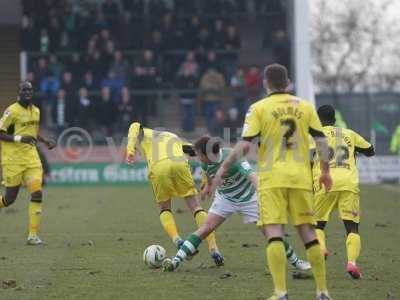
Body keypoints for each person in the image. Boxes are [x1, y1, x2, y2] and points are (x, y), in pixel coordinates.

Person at [209, 64, 332, 300]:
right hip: (301, 177)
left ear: (265, 83)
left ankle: (281, 292)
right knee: (308, 232)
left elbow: (245, 145)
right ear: (287, 83)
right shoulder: (305, 107)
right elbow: (321, 141)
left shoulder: (258, 108)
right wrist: (325, 171)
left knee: (274, 232)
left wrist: (223, 167)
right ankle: (322, 292)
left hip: (271, 178)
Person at [162, 136, 311, 272]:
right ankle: (175, 262)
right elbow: (208, 174)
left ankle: (296, 261)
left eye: (200, 155)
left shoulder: (234, 157)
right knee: (205, 228)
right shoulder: (206, 163)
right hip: (225, 199)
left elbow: (252, 176)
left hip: (249, 199)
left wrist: (264, 194)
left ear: (208, 155)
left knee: (269, 232)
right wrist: (208, 187)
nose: (199, 159)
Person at [125, 122, 224, 266]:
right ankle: (213, 248)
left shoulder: (147, 133)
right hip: (179, 164)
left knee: (164, 208)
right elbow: (202, 156)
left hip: (159, 166)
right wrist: (204, 179)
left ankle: (177, 239)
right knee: (196, 207)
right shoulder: (176, 139)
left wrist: (130, 150)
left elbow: (134, 125)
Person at [312, 105, 375, 279]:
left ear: (319, 119)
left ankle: (322, 248)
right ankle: (352, 263)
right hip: (348, 183)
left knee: (318, 225)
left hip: (324, 182)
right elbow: (370, 150)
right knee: (352, 227)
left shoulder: (315, 135)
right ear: (335, 118)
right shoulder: (349, 133)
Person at [0, 81, 56, 245]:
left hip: (31, 159)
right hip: (13, 160)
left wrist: (45, 141)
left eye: (30, 90)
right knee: (9, 199)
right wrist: (19, 138)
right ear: (19, 92)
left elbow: (33, 132)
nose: (27, 92)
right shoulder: (12, 111)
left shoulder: (36, 111)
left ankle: (32, 236)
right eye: (24, 90)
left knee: (37, 192)